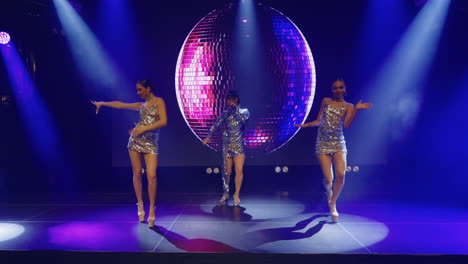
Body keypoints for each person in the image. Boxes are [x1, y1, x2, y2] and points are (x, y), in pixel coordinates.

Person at [91, 79, 167, 227]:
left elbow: (163, 121)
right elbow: (121, 105)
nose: (138, 92)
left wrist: (142, 129)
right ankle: (139, 204)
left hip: (151, 143)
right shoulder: (141, 105)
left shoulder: (159, 102)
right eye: (137, 90)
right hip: (135, 141)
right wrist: (102, 103)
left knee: (152, 175)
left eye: (140, 89)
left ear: (148, 88)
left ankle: (152, 208)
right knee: (137, 173)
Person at [295, 79, 372, 222]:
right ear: (332, 90)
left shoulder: (348, 106)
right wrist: (306, 125)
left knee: (341, 175)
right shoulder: (326, 101)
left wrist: (356, 109)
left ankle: (333, 203)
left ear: (344, 89)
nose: (338, 90)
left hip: (338, 142)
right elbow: (319, 120)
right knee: (329, 179)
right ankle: (328, 190)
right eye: (335, 88)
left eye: (340, 87)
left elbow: (347, 125)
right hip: (322, 142)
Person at [203, 91, 250, 207]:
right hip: (227, 143)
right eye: (229, 100)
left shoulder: (244, 111)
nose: (230, 102)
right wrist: (209, 136)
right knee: (227, 172)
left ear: (237, 100)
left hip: (238, 143)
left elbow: (243, 120)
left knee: (239, 170)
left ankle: (236, 194)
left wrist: (236, 109)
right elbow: (216, 124)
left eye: (232, 99)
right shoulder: (225, 113)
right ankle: (225, 194)